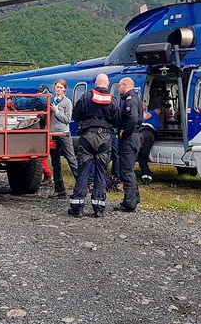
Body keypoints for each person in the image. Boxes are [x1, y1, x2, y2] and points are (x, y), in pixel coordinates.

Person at [69, 73, 119, 218]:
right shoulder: (113, 100)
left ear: (96, 83)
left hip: (87, 137)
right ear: (107, 84)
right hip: (104, 139)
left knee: (83, 171)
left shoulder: (85, 97)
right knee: (101, 172)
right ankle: (99, 208)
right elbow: (117, 121)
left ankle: (77, 208)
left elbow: (76, 116)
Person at [114, 77, 142, 212]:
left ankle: (129, 202)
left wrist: (124, 133)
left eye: (119, 86)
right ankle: (134, 197)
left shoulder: (129, 100)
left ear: (125, 85)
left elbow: (133, 118)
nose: (118, 88)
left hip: (129, 138)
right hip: (135, 137)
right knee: (129, 169)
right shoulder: (135, 98)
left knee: (126, 171)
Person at [48, 79, 78, 199]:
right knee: (55, 163)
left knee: (71, 159)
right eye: (57, 87)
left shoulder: (67, 102)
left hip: (64, 134)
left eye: (61, 87)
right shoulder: (50, 100)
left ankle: (81, 184)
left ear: (65, 89)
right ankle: (59, 189)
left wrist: (56, 111)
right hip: (53, 134)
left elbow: (67, 119)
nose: (58, 89)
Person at [137, 107, 161, 185]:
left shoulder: (153, 113)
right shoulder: (157, 121)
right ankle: (146, 175)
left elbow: (144, 116)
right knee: (143, 154)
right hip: (150, 135)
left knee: (133, 152)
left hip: (145, 132)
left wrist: (141, 108)